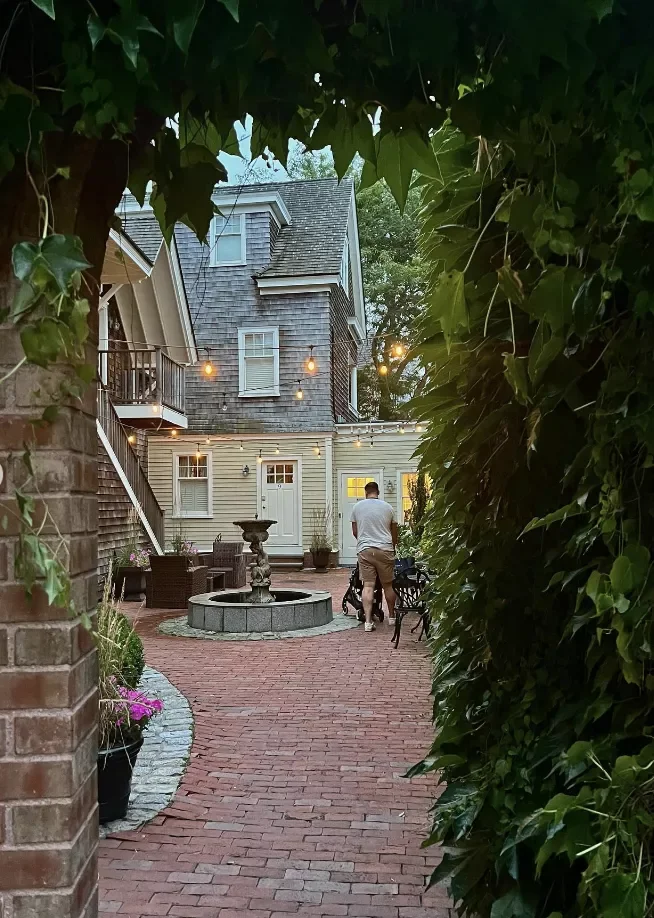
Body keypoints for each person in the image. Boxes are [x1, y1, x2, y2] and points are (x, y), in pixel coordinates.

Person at [350, 481, 397, 632]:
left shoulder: (357, 507)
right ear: (378, 492)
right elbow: (394, 531)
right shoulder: (388, 508)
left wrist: (364, 543)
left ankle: (368, 622)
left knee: (368, 586)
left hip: (365, 550)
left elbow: (355, 531)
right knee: (388, 585)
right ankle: (392, 617)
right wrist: (393, 546)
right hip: (385, 549)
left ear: (366, 492)